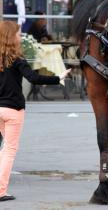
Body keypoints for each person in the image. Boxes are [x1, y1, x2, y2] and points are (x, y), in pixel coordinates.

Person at [0, 21, 71, 201]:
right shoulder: (17, 59)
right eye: (17, 34)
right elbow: (34, 78)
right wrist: (58, 77)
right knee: (9, 150)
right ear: (11, 37)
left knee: (4, 150)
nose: (19, 37)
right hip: (13, 109)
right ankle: (1, 191)